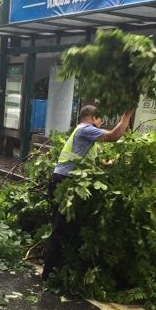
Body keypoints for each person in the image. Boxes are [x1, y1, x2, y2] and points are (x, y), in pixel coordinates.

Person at [41, 104, 134, 280]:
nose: (102, 121)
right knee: (61, 228)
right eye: (99, 118)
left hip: (67, 181)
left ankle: (63, 269)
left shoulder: (86, 136)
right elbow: (113, 136)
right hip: (66, 183)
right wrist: (126, 116)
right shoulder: (85, 129)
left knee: (71, 227)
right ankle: (49, 273)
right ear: (91, 118)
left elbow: (97, 162)